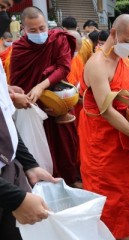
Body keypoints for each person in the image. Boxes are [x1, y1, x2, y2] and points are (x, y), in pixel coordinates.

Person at [79, 14, 129, 240]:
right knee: (105, 189)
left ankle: (123, 233)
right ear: (113, 34)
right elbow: (106, 109)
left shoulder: (123, 60)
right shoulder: (97, 64)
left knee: (124, 188)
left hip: (121, 135)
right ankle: (106, 235)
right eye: (127, 40)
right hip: (101, 138)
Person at [0, 1, 58, 239]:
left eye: (5, 7)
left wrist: (29, 164)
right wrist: (16, 198)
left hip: (11, 168)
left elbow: (5, 122)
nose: (4, 14)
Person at [9, 6, 81, 188]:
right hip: (33, 107)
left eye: (42, 28)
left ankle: (69, 181)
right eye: (33, 30)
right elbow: (18, 81)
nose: (39, 33)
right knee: (41, 147)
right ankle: (45, 184)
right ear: (24, 30)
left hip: (58, 102)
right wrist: (33, 101)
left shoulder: (58, 39)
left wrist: (41, 86)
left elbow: (63, 67)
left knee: (65, 146)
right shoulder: (19, 48)